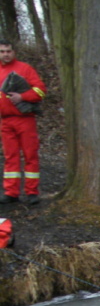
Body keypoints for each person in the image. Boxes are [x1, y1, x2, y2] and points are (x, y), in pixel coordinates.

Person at [0, 40, 46, 205]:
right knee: (10, 157)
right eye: (2, 51)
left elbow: (40, 90)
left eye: (8, 51)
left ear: (14, 52)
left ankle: (32, 192)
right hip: (5, 121)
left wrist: (23, 97)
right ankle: (11, 192)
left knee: (30, 155)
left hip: (25, 119)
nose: (5, 54)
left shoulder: (25, 69)